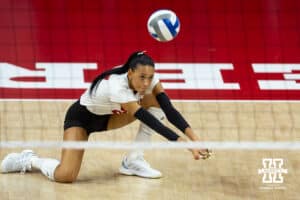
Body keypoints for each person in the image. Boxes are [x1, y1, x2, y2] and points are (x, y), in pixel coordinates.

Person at [1, 51, 211, 183]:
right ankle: (29, 160)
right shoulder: (116, 86)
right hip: (82, 119)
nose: (146, 83)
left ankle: (133, 161)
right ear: (130, 73)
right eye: (141, 78)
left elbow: (169, 109)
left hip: (110, 117)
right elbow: (150, 121)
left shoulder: (151, 79)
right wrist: (184, 144)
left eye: (149, 78)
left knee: (154, 103)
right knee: (65, 176)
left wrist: (196, 139)